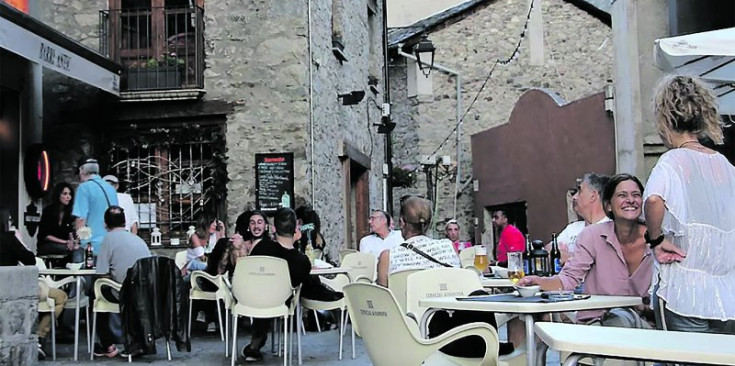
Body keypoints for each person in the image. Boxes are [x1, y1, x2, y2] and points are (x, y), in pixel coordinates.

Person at [645, 75, 735, 334]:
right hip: (726, 295)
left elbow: (653, 199)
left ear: (664, 119)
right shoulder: (726, 166)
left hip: (682, 290)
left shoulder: (672, 161)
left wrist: (655, 239)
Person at [376, 196, 513, 357]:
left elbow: (383, 300)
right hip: (454, 332)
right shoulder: (448, 247)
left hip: (410, 333)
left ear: (401, 222)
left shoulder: (388, 256)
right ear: (428, 223)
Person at [519, 174, 653, 326]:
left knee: (622, 319)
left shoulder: (657, 239)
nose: (630, 200)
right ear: (608, 205)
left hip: (644, 327)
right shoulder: (592, 236)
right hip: (597, 323)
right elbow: (567, 279)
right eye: (622, 195)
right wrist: (538, 282)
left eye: (636, 195)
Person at [240, 207, 311, 362]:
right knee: (276, 292)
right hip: (280, 304)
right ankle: (256, 344)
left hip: (250, 299)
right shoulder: (302, 261)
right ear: (296, 229)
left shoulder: (260, 246)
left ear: (272, 229)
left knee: (265, 290)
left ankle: (255, 344)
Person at [0, 209, 67, 359]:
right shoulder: (9, 238)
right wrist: (18, 239)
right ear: (6, 222)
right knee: (60, 297)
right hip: (14, 291)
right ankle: (39, 337)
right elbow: (30, 259)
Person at [92, 206, 151, 357]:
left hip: (125, 292)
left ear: (105, 224)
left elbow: (101, 273)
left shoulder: (108, 240)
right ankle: (138, 341)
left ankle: (107, 346)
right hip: (146, 291)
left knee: (95, 292)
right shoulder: (138, 240)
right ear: (125, 222)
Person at [546, 173, 611, 265]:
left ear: (593, 196)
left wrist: (569, 257)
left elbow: (604, 264)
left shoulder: (611, 228)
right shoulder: (573, 228)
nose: (574, 197)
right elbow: (547, 250)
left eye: (579, 191)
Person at [72, 157, 118, 261]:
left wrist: (80, 241)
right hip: (111, 244)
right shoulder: (110, 189)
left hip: (92, 246)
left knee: (83, 275)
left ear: (81, 171)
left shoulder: (84, 188)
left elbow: (81, 219)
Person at [37, 182, 77, 261]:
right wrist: (65, 242)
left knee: (76, 249)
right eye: (65, 194)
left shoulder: (68, 213)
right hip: (47, 244)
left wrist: (71, 242)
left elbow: (70, 232)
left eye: (69, 194)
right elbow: (46, 235)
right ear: (58, 195)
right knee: (66, 249)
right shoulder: (48, 211)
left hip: (63, 244)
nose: (68, 197)